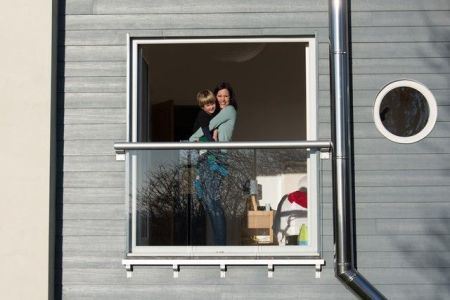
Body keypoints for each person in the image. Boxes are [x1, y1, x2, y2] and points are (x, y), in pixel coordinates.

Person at [189, 82, 238, 245]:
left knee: (213, 202)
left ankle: (220, 245)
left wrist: (190, 140)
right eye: (220, 96)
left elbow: (207, 127)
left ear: (230, 98)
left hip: (217, 157)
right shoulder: (215, 113)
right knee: (208, 201)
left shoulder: (228, 111)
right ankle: (218, 243)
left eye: (226, 96)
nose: (223, 99)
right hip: (207, 158)